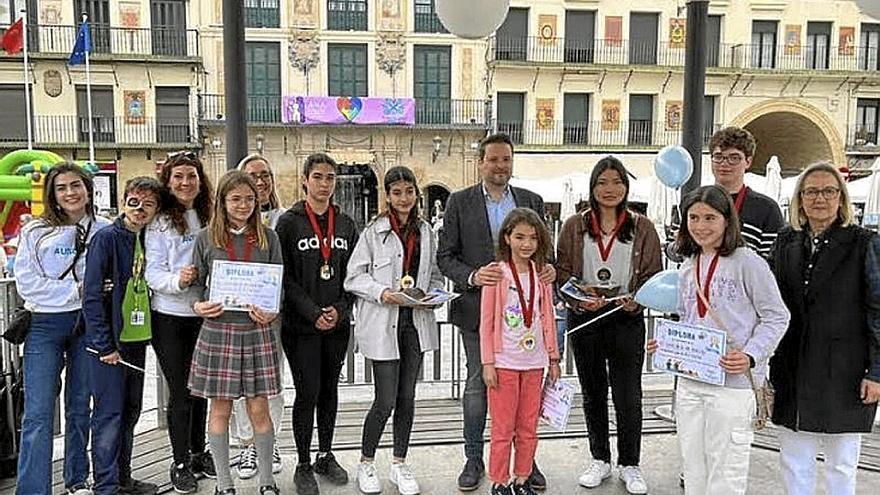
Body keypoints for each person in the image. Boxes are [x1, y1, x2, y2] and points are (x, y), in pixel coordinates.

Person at [647, 185, 789, 495]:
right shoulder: (688, 266)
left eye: (709, 217)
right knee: (693, 467)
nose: (700, 226)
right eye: (693, 218)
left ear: (727, 220)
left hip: (733, 386)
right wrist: (668, 346)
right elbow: (689, 319)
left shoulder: (748, 262)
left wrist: (751, 355)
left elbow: (777, 316)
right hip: (690, 384)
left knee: (726, 470)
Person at [437, 133, 554, 492]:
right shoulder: (459, 202)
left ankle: (525, 465)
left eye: (506, 159)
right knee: (477, 386)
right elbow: (445, 258)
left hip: (528, 327)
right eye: (494, 160)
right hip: (480, 314)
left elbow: (544, 253)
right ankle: (474, 458)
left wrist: (549, 269)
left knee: (524, 402)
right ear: (481, 162)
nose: (500, 166)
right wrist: (473, 276)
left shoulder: (531, 200)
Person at [769, 162, 880, 495]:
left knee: (841, 465)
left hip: (845, 371)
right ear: (800, 199)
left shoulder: (865, 243)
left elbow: (878, 308)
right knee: (794, 462)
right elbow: (769, 302)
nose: (820, 198)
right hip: (793, 368)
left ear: (841, 198)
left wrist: (876, 372)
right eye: (811, 191)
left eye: (829, 191)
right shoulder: (786, 240)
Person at [555, 157, 661, 494]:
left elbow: (654, 276)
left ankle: (631, 463)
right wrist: (577, 296)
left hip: (626, 318)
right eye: (603, 182)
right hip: (587, 316)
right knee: (593, 393)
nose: (610, 189)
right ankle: (599, 457)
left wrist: (639, 299)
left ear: (626, 188)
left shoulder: (642, 226)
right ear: (593, 187)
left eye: (617, 182)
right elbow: (561, 272)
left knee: (629, 395)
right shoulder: (574, 225)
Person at [345, 166, 445, 495]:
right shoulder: (374, 232)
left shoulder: (427, 231)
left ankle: (400, 463)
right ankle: (366, 462)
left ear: (417, 193)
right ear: (387, 196)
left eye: (409, 191)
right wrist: (382, 292)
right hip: (384, 323)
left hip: (414, 325)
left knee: (407, 398)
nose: (404, 198)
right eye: (397, 192)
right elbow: (354, 277)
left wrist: (433, 295)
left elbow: (432, 274)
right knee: (384, 400)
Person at [14, 163, 111, 495]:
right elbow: (27, 285)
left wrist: (89, 294)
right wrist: (78, 292)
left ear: (87, 188)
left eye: (76, 185)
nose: (70, 192)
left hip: (87, 325)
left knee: (80, 405)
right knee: (38, 412)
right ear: (52, 194)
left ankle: (76, 480)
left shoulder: (103, 229)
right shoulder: (34, 231)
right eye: (61, 187)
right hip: (44, 324)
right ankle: (32, 489)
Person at [189, 171, 283, 495]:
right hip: (219, 332)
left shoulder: (269, 237)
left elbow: (278, 287)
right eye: (235, 199)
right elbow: (196, 286)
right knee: (220, 410)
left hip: (257, 332)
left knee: (259, 410)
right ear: (222, 202)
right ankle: (224, 485)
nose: (243, 205)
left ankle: (267, 481)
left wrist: (272, 310)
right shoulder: (205, 238)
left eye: (249, 198)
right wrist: (198, 306)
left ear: (258, 201)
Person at [275, 153, 358, 495]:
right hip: (302, 326)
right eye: (319, 177)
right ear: (305, 180)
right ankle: (304, 463)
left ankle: (326, 453)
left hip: (337, 325)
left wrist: (339, 309)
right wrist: (313, 312)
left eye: (330, 178)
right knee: (307, 392)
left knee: (329, 391)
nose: (325, 184)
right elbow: (285, 277)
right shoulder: (289, 223)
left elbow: (355, 275)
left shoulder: (346, 223)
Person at [83, 177, 163, 495]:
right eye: (135, 200)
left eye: (149, 203)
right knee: (109, 414)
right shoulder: (106, 238)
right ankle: (106, 484)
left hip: (136, 339)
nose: (140, 208)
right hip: (110, 344)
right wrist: (103, 343)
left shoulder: (148, 238)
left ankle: (124, 477)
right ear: (124, 199)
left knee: (131, 410)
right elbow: (91, 294)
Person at [145, 151, 215, 493]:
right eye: (179, 177)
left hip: (204, 314)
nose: (186, 183)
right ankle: (180, 461)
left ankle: (200, 451)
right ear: (168, 182)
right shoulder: (159, 221)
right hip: (170, 316)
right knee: (181, 392)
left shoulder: (208, 215)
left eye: (192, 176)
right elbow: (152, 272)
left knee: (201, 388)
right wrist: (178, 280)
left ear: (201, 181)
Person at [480, 208, 560, 495]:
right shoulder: (496, 274)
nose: (527, 244)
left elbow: (547, 316)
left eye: (533, 238)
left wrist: (553, 357)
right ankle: (499, 481)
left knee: (528, 426)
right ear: (507, 238)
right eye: (520, 237)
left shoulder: (542, 276)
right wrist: (487, 362)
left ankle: (522, 478)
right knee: (503, 428)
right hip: (504, 363)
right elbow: (486, 323)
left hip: (534, 362)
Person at [231, 154, 286, 478]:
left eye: (265, 175)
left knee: (271, 381)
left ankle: (270, 440)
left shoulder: (284, 218)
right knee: (239, 381)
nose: (261, 181)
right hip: (237, 316)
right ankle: (247, 444)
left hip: (271, 316)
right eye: (253, 175)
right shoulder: (227, 223)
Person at [707, 126, 784, 259]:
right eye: (718, 156)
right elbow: (676, 253)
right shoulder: (696, 202)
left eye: (734, 158)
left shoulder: (767, 209)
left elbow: (772, 262)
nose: (724, 164)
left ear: (748, 162)